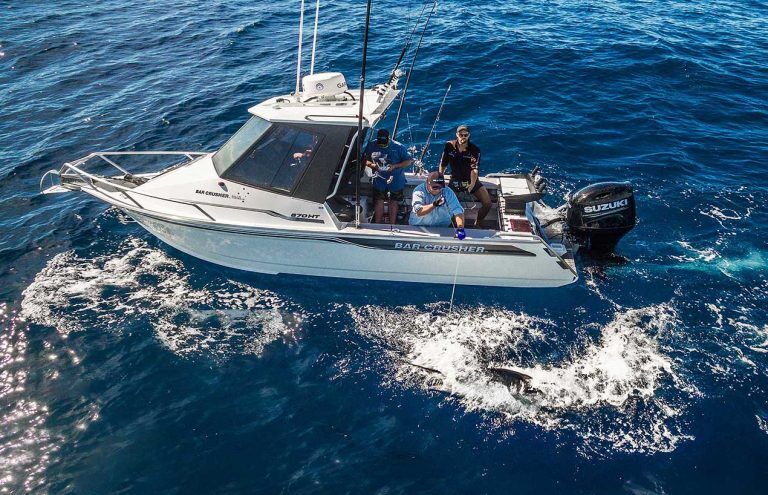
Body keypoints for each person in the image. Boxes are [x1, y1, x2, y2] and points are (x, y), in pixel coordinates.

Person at [438, 124, 492, 227]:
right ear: (456, 135)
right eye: (461, 135)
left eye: (465, 135)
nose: (463, 137)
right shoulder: (449, 146)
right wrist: (440, 177)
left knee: (487, 203)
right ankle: (453, 224)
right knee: (448, 204)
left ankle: (478, 222)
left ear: (469, 135)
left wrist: (471, 185)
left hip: (471, 180)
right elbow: (443, 164)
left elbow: (474, 169)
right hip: (455, 179)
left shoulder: (475, 150)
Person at [364, 128, 413, 224]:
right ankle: (377, 224)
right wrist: (372, 165)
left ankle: (392, 224)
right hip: (379, 180)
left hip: (396, 181)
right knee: (378, 201)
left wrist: (395, 166)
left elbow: (409, 161)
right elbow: (364, 159)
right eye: (380, 144)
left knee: (393, 202)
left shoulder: (399, 147)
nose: (382, 146)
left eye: (385, 144)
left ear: (389, 138)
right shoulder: (371, 145)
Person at [409, 172, 466, 239]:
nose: (438, 190)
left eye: (440, 187)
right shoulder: (419, 191)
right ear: (427, 182)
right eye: (435, 187)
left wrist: (460, 228)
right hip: (418, 227)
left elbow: (458, 210)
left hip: (442, 228)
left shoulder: (448, 191)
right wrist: (434, 204)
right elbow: (419, 212)